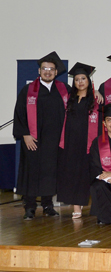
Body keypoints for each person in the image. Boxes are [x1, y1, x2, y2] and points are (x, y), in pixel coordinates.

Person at [14, 51, 70, 220]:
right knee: (31, 173)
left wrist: (95, 92)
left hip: (54, 141)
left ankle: (48, 205)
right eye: (44, 68)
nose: (47, 71)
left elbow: (78, 105)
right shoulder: (28, 90)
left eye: (51, 69)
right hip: (33, 140)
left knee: (50, 173)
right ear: (39, 71)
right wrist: (25, 134)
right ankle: (29, 207)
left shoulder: (63, 90)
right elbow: (19, 113)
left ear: (56, 71)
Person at [57, 62, 98, 219]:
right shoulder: (69, 99)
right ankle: (76, 206)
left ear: (88, 80)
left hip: (86, 142)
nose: (80, 82)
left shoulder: (95, 100)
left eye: (83, 78)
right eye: (77, 79)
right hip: (70, 141)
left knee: (84, 174)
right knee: (72, 173)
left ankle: (81, 203)